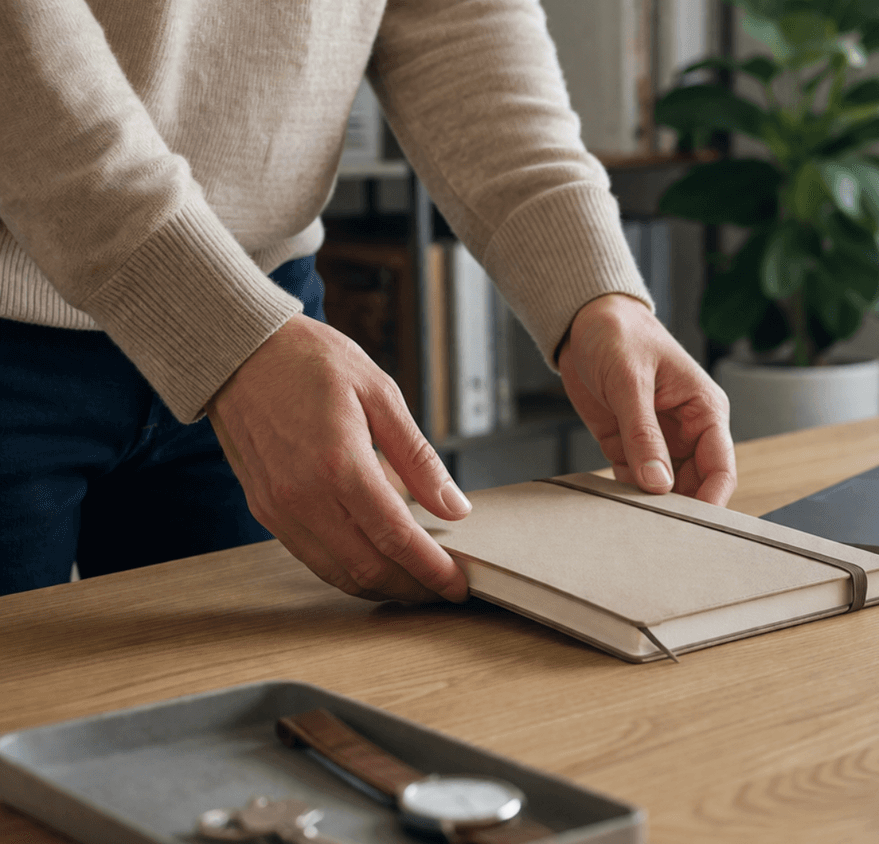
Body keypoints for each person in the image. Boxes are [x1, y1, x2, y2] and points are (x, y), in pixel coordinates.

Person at [0, 0, 736, 599]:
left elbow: (459, 19)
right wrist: (223, 334)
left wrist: (593, 294)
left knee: (259, 748)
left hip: (268, 328)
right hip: (69, 336)